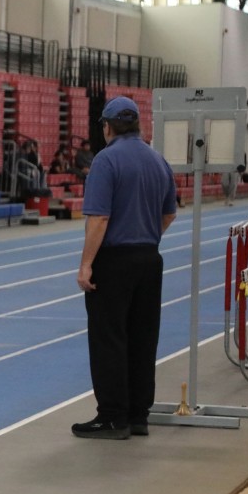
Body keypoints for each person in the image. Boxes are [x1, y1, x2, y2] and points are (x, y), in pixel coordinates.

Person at [74, 96, 177, 440]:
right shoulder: (158, 160)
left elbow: (99, 219)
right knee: (143, 337)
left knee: (109, 337)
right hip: (149, 258)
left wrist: (86, 265)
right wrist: (145, 237)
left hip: (114, 261)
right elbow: (169, 213)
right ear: (136, 125)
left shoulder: (106, 161)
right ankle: (137, 416)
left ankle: (112, 416)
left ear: (107, 126)